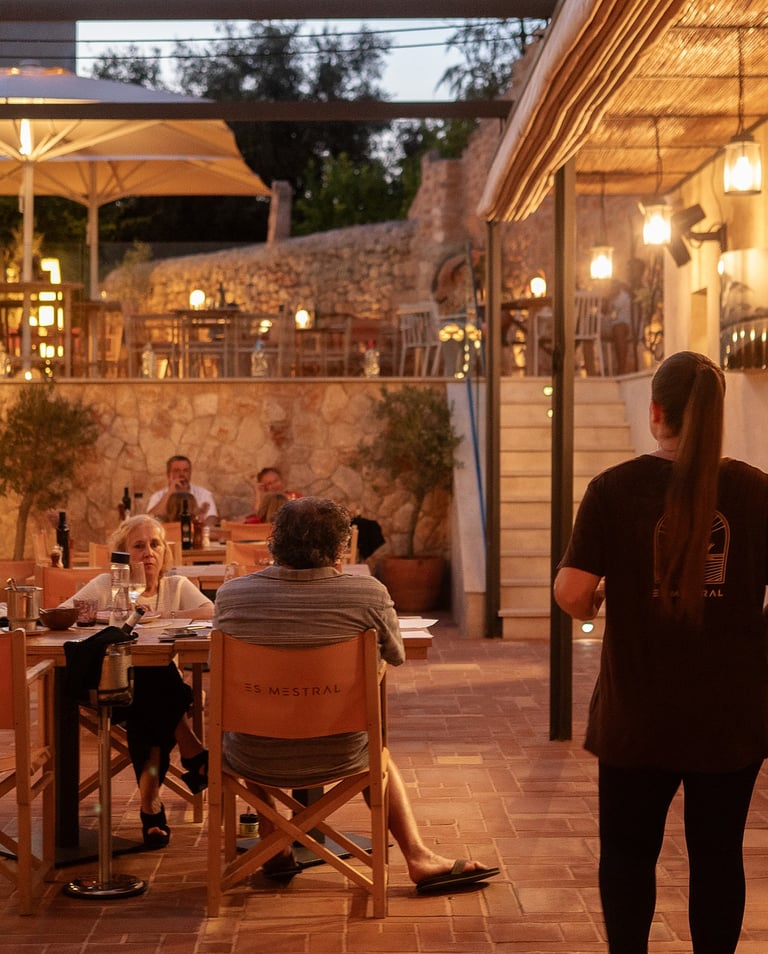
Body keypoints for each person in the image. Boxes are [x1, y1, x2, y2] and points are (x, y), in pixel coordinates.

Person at [553, 351, 768, 953]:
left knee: (627, 855)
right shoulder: (756, 492)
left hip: (637, 711)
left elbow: (571, 592)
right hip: (730, 713)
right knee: (719, 856)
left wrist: (596, 599)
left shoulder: (613, 489)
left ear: (656, 413)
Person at [213, 496, 500, 893]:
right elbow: (395, 656)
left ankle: (270, 837)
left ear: (275, 542)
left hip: (252, 756)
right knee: (374, 746)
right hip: (343, 750)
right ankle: (416, 856)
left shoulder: (232, 596)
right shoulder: (368, 594)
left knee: (245, 717)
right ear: (340, 547)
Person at [62, 515, 213, 849]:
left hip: (149, 697)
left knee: (151, 685)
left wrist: (164, 617)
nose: (148, 553)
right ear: (122, 553)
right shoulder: (105, 585)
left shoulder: (174, 586)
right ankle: (192, 751)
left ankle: (150, 804)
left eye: (155, 544)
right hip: (106, 688)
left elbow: (210, 612)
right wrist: (107, 617)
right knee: (157, 682)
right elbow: (67, 612)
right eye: (138, 545)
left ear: (164, 552)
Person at [147, 455, 217, 526]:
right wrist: (170, 493)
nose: (182, 474)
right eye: (177, 471)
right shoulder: (157, 496)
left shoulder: (204, 494)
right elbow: (150, 520)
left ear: (190, 473)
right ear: (168, 474)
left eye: (185, 470)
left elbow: (212, 518)